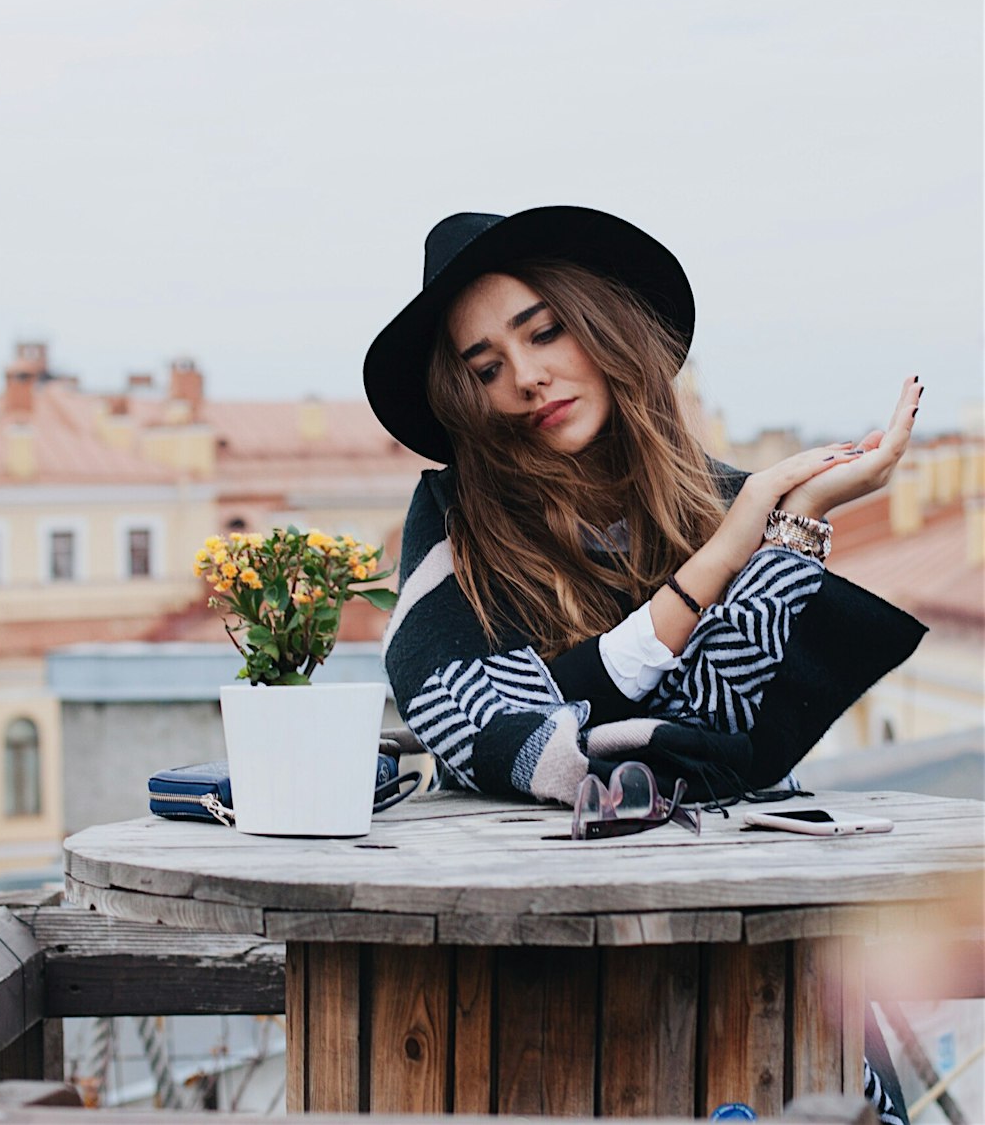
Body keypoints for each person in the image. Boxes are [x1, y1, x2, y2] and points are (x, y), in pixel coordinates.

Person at [363, 206, 925, 1125]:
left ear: (601, 325)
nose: (527, 377)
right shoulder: (456, 527)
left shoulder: (722, 502)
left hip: (759, 970)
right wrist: (718, 566)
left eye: (545, 330)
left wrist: (792, 525)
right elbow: (496, 731)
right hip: (540, 1001)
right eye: (486, 366)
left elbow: (722, 735)